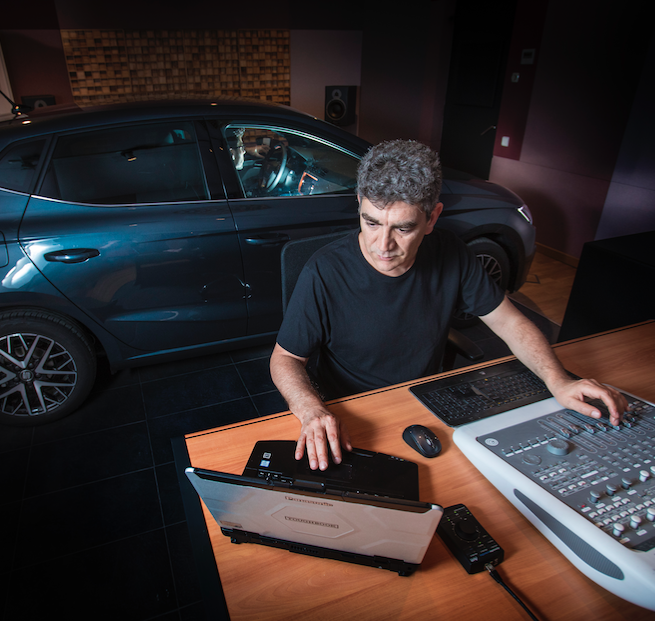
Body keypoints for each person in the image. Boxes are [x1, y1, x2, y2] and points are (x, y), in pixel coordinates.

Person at [269, 139, 630, 471]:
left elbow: (509, 322)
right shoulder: (324, 270)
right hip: (350, 411)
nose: (383, 245)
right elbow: (285, 358)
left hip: (424, 403)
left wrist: (558, 380)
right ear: (360, 204)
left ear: (432, 217)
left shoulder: (451, 252)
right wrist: (311, 410)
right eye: (371, 222)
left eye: (403, 229)